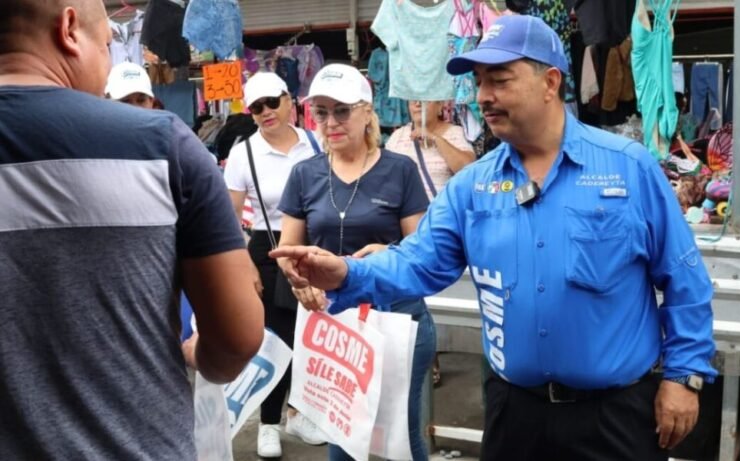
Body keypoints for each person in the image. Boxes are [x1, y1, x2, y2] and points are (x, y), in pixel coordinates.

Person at [271, 15, 717, 461]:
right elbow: (418, 262)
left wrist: (684, 378)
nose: (483, 96)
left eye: (500, 80)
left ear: (550, 82)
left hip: (615, 416)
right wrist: (346, 272)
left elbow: (684, 280)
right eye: (480, 81)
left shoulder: (628, 168)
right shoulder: (473, 186)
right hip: (515, 413)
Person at [0, 1, 264, 459]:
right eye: (107, 46)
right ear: (68, 29)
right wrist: (202, 357)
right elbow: (237, 338)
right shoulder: (163, 146)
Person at [275, 63, 434, 461]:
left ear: (367, 111)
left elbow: (423, 248)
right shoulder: (304, 174)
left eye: (342, 110)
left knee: (400, 435)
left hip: (396, 316)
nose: (331, 122)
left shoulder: (400, 170)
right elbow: (287, 248)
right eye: (322, 112)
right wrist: (300, 280)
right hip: (336, 324)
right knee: (343, 433)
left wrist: (390, 254)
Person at [223, 71, 326, 458]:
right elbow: (230, 217)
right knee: (278, 337)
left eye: (271, 102)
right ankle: (269, 422)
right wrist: (245, 265)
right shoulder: (243, 153)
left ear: (289, 101)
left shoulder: (315, 143)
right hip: (268, 248)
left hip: (316, 244)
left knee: (315, 333)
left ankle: (301, 411)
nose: (265, 112)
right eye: (256, 107)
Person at [386, 99, 475, 384]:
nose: (415, 102)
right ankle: (427, 359)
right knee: (414, 296)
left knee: (438, 296)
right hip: (403, 230)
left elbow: (468, 171)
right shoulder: (397, 136)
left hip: (441, 231)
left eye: (424, 97)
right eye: (411, 97)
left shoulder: (454, 133)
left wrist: (434, 138)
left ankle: (428, 356)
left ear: (441, 105)